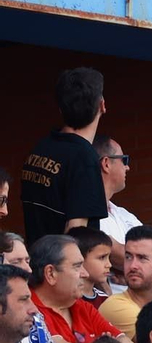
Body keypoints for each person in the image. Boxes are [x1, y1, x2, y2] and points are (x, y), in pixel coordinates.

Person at [20, 67, 107, 244]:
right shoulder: (84, 158)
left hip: (39, 260)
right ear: (102, 105)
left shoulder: (41, 148)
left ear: (61, 108)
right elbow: (76, 231)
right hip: (63, 267)